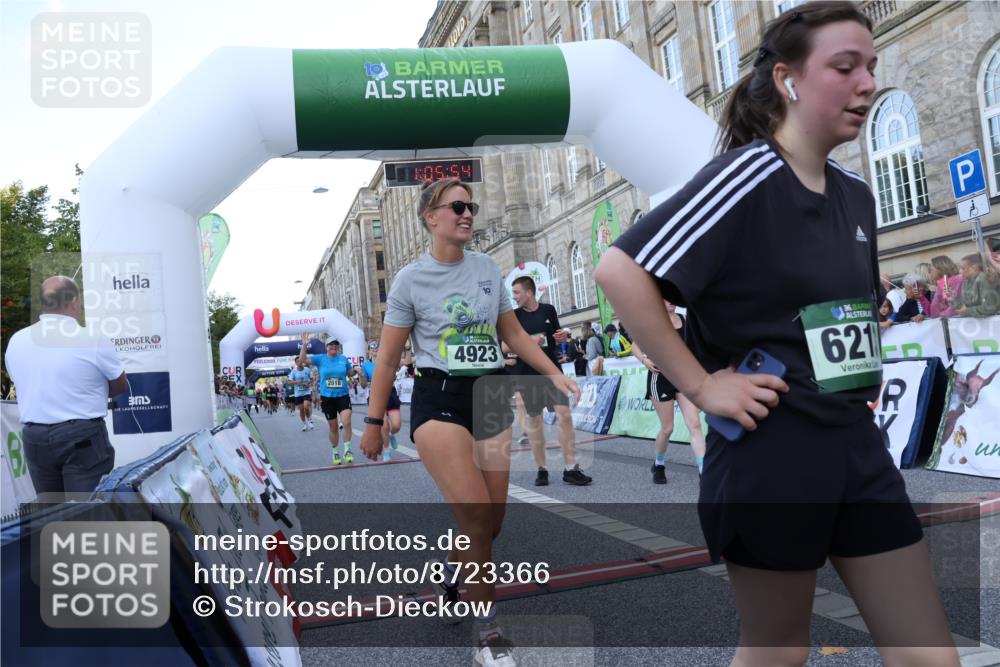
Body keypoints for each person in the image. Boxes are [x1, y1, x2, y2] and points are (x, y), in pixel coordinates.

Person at [594, 4, 957, 666]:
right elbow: (620, 270)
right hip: (772, 450)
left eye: (871, 66)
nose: (867, 83)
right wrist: (702, 384)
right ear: (789, 80)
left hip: (855, 442)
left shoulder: (858, 196)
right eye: (844, 67)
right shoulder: (747, 176)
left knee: (930, 655)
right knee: (779, 651)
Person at [360, 178, 579, 667]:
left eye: (470, 206)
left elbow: (514, 334)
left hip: (492, 393)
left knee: (491, 524)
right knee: (476, 514)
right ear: (430, 217)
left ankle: (452, 573)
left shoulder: (485, 268)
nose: (467, 214)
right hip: (439, 396)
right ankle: (489, 633)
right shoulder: (410, 280)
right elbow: (389, 357)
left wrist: (553, 373)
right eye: (456, 206)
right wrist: (374, 421)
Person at [4, 276, 129, 497]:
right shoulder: (92, 337)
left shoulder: (17, 340)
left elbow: (24, 384)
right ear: (74, 301)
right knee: (86, 513)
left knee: (50, 513)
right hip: (81, 436)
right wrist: (89, 392)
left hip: (35, 437)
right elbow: (120, 384)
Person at [505, 275, 592, 486]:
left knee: (565, 416)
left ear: (529, 292)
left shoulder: (549, 310)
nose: (513, 296)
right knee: (535, 422)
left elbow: (556, 337)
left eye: (516, 292)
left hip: (552, 372)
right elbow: (505, 348)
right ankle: (541, 468)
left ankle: (570, 468)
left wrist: (560, 338)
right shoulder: (513, 316)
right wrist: (529, 342)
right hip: (528, 375)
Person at [631, 301, 706, 482]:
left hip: (683, 378)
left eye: (672, 299)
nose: (671, 302)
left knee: (694, 424)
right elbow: (635, 345)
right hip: (661, 377)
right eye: (665, 299)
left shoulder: (684, 319)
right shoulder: (651, 320)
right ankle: (659, 464)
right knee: (667, 428)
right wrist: (644, 360)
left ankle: (704, 472)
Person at [299, 335, 361, 465]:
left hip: (343, 395)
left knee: (346, 421)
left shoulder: (343, 359)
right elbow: (302, 359)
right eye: (331, 345)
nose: (334, 347)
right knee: (333, 428)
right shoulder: (321, 359)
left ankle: (348, 449)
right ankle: (335, 451)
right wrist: (304, 345)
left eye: (336, 345)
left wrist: (355, 371)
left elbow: (349, 373)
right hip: (328, 398)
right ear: (326, 347)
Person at [358, 340, 401, 461]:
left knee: (397, 425)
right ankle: (387, 450)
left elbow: (397, 372)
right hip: (376, 395)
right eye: (372, 348)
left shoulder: (387, 361)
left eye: (376, 348)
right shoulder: (366, 365)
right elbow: (363, 385)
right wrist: (362, 376)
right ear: (369, 351)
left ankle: (391, 435)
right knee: (384, 425)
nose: (374, 350)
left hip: (390, 393)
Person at [956, 253, 1000, 318]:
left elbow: (991, 306)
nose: (960, 271)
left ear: (973, 268)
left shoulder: (983, 279)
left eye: (963, 268)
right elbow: (965, 304)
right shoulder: (966, 281)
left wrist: (968, 311)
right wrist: (952, 298)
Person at [288, 358, 315, 431]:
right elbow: (289, 382)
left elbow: (312, 379)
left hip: (306, 391)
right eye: (297, 362)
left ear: (302, 361)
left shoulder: (307, 370)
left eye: (300, 361)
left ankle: (309, 420)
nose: (299, 363)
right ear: (296, 363)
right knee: (301, 409)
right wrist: (297, 381)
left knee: (306, 406)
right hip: (298, 393)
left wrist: (308, 383)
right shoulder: (293, 372)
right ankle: (304, 424)